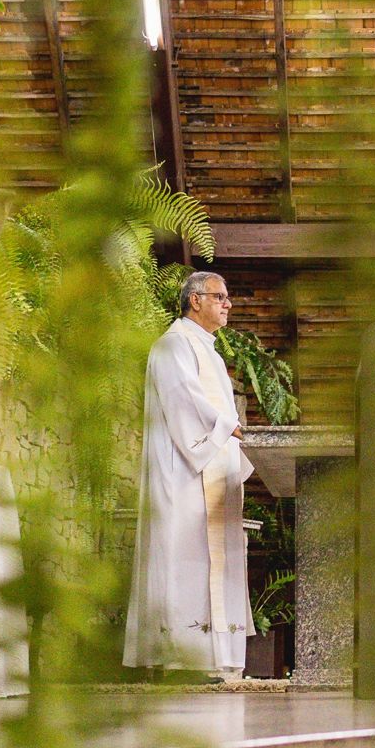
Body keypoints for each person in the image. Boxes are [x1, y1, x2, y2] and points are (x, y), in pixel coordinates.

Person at [123, 271, 256, 677]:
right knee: (185, 556)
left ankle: (217, 658)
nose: (228, 303)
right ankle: (182, 657)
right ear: (194, 300)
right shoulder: (172, 345)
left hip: (209, 473)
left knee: (212, 558)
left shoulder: (208, 351)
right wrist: (225, 427)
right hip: (183, 477)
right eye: (220, 296)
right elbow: (183, 400)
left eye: (228, 297)